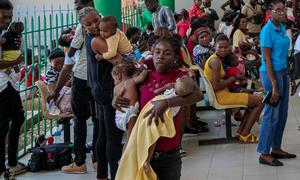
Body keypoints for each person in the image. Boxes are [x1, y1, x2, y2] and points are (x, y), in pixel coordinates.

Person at [114, 37, 202, 180]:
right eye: (157, 52)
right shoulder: (144, 75)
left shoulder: (180, 77)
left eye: (167, 53)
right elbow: (123, 86)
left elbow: (198, 95)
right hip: (140, 148)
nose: (160, 56)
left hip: (169, 153)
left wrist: (167, 102)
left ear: (174, 57)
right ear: (152, 54)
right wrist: (116, 98)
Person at [49, 0, 98, 174]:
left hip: (82, 77)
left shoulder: (82, 25)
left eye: (79, 9)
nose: (78, 13)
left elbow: (70, 56)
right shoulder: (103, 23)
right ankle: (98, 160)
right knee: (98, 119)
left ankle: (79, 162)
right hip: (98, 78)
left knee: (80, 120)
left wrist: (55, 92)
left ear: (89, 4)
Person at [78, 7, 124, 180]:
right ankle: (115, 176)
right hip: (106, 90)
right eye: (88, 24)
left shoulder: (97, 37)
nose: (94, 25)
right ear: (84, 27)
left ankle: (102, 174)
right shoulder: (96, 40)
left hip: (100, 89)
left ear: (100, 17)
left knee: (104, 134)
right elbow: (119, 59)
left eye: (96, 20)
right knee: (113, 136)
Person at [257, 0, 297, 166]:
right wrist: (274, 84)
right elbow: (267, 59)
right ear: (270, 11)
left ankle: (276, 148)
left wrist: (291, 77)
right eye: (278, 10)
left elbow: (285, 54)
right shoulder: (267, 30)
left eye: (283, 10)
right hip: (270, 74)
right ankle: (264, 152)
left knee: (282, 114)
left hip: (283, 73)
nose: (282, 13)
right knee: (271, 114)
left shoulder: (281, 28)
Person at [204, 33, 263, 143]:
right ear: (214, 46)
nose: (223, 50)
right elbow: (216, 86)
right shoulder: (215, 61)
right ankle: (245, 134)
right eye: (220, 47)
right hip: (221, 96)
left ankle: (241, 132)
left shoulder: (217, 59)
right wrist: (233, 78)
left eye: (226, 47)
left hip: (224, 93)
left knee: (253, 101)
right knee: (260, 102)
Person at [0, 0, 27, 177]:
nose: (7, 21)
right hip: (2, 86)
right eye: (3, 17)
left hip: (9, 83)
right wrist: (16, 62)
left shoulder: (5, 34)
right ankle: (5, 167)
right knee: (3, 126)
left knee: (17, 118)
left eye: (9, 17)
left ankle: (11, 162)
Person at [111, 61, 149, 140]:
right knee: (131, 138)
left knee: (129, 138)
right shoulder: (131, 82)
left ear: (118, 76)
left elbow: (115, 99)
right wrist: (143, 69)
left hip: (119, 114)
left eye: (113, 78)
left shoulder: (115, 88)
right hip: (130, 113)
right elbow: (142, 76)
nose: (114, 81)